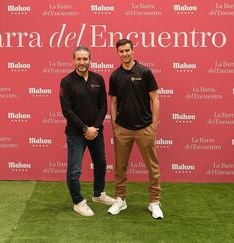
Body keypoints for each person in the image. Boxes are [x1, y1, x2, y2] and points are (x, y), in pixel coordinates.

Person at [107, 39, 164, 219]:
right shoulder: (115, 76)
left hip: (145, 128)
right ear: (118, 53)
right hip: (122, 129)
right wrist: (115, 126)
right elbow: (113, 102)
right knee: (120, 167)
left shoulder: (145, 72)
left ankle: (154, 202)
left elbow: (155, 99)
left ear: (133, 51)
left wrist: (154, 125)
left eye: (127, 50)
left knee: (152, 167)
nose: (124, 54)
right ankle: (120, 199)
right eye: (121, 51)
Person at [59, 46, 116, 217]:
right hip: (76, 134)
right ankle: (78, 202)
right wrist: (85, 129)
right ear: (73, 60)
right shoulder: (66, 82)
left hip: (96, 132)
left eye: (85, 59)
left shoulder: (98, 79)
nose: (82, 62)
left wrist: (95, 128)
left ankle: (98, 194)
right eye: (79, 59)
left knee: (100, 164)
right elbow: (66, 110)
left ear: (90, 60)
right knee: (74, 170)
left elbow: (103, 106)